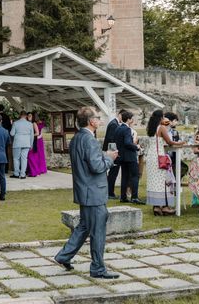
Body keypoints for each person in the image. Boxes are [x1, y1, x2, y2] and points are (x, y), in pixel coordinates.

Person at [54, 106, 119, 279]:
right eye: (97, 117)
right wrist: (109, 158)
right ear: (91, 121)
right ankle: (97, 268)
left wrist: (102, 155)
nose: (99, 119)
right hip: (93, 191)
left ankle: (64, 256)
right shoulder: (89, 140)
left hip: (84, 189)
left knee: (84, 226)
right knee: (97, 230)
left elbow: (88, 161)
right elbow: (97, 166)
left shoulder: (76, 138)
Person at [145, 110, 183, 216]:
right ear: (161, 118)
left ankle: (156, 207)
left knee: (154, 182)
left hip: (151, 157)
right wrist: (180, 143)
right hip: (159, 156)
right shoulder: (161, 128)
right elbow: (169, 142)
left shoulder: (151, 128)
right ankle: (165, 206)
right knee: (163, 181)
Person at [115, 111, 142, 204]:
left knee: (124, 177)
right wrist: (136, 147)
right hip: (130, 156)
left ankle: (123, 197)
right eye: (132, 118)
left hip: (121, 156)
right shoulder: (127, 129)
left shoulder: (118, 128)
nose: (133, 120)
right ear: (129, 119)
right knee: (135, 176)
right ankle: (134, 197)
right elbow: (127, 142)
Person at [103, 110, 124, 199]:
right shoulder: (113, 124)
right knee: (113, 173)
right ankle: (109, 193)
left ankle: (110, 192)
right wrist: (114, 153)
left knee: (113, 173)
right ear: (119, 115)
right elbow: (111, 140)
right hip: (112, 152)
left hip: (112, 152)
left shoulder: (115, 123)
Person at [10, 111, 34, 179]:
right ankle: (23, 174)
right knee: (24, 159)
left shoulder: (15, 123)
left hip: (17, 142)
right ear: (26, 116)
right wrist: (31, 144)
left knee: (16, 158)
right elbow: (32, 136)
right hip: (26, 143)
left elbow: (12, 133)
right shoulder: (30, 124)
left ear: (20, 115)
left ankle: (16, 173)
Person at [27, 111, 48, 177]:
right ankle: (40, 169)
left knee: (35, 154)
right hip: (39, 138)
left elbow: (37, 132)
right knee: (39, 155)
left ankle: (36, 170)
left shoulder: (34, 123)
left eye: (30, 116)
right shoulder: (39, 122)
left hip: (36, 139)